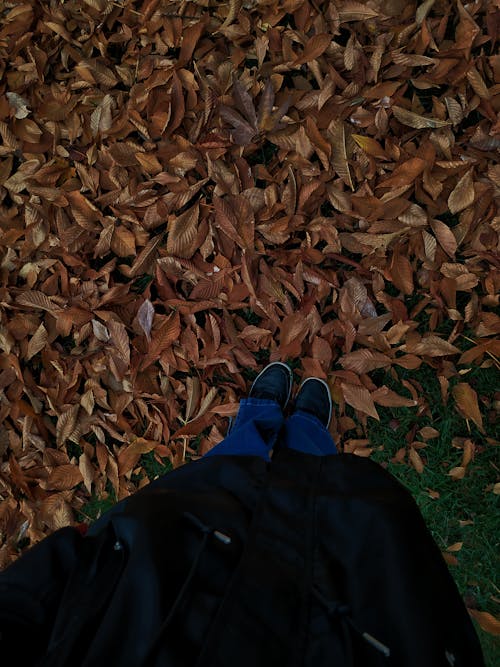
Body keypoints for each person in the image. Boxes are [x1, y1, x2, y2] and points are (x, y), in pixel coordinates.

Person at [0, 362, 484, 666]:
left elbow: (18, 607)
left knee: (220, 484)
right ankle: (305, 436)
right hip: (344, 627)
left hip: (144, 602)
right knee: (326, 504)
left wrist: (75, 555)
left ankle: (257, 426)